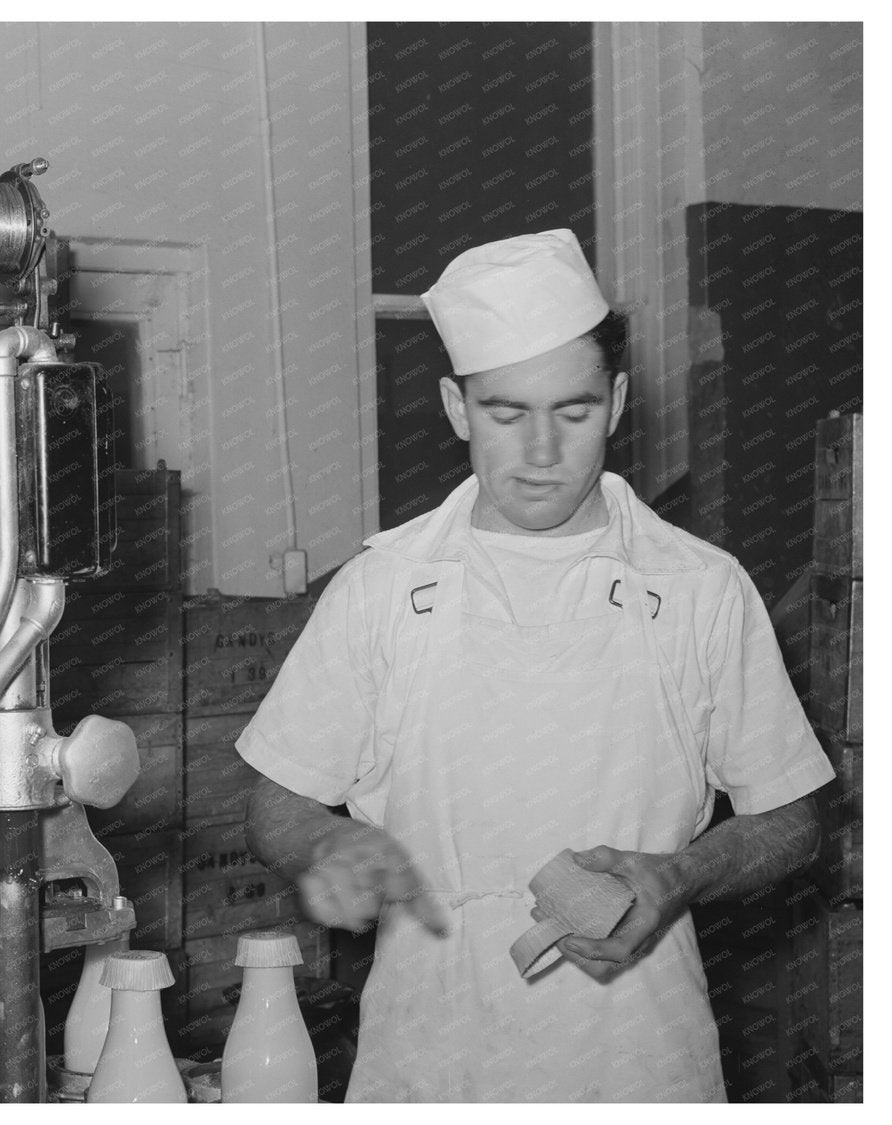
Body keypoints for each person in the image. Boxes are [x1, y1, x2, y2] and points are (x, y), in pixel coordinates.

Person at [237, 229, 834, 1102]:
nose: (543, 453)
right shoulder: (384, 587)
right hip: (428, 1056)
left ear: (619, 400)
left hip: (640, 1056)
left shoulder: (701, 588)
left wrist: (683, 874)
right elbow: (275, 800)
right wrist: (324, 841)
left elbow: (794, 820)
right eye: (507, 414)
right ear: (455, 406)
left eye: (575, 411)